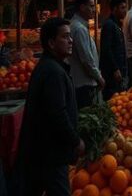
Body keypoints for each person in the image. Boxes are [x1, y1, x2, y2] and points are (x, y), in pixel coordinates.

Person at [18, 18, 84, 196]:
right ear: (51, 43)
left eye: (70, 36)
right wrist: (75, 140)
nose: (70, 41)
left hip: (43, 152)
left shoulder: (51, 67)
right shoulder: (52, 72)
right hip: (50, 154)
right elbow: (57, 113)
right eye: (65, 37)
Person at [69, 0, 104, 109]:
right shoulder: (79, 29)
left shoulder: (79, 26)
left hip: (83, 82)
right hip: (84, 84)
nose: (94, 10)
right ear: (83, 7)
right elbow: (86, 60)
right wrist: (99, 77)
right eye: (92, 6)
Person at [99, 0, 128, 101]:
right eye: (122, 8)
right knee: (113, 100)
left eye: (125, 8)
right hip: (111, 73)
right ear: (115, 9)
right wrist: (115, 69)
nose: (125, 11)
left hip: (118, 71)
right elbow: (106, 49)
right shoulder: (109, 25)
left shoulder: (116, 24)